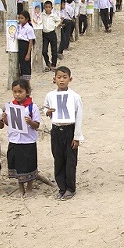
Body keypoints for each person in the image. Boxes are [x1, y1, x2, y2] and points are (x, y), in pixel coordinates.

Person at [43, 66, 85, 200]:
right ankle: (61, 187)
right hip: (56, 130)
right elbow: (45, 108)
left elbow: (79, 117)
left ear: (70, 79)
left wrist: (77, 137)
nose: (61, 80)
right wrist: (47, 112)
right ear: (54, 79)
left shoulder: (75, 97)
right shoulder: (50, 95)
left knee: (70, 160)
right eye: (59, 77)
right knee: (58, 159)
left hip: (70, 130)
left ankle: (70, 188)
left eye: (64, 77)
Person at [2, 78, 43, 198]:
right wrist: (4, 118)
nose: (17, 94)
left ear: (27, 92)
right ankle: (20, 188)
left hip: (28, 141)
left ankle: (29, 187)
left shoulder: (32, 107)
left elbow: (37, 125)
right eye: (15, 92)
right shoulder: (10, 106)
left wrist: (30, 121)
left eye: (20, 91)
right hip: (14, 140)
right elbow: (9, 124)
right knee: (17, 165)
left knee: (29, 164)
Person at [41, 1, 60, 71]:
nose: (48, 9)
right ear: (44, 8)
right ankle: (47, 63)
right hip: (44, 34)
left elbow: (58, 20)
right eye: (46, 7)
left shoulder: (53, 15)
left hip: (52, 33)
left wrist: (55, 26)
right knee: (44, 51)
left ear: (51, 8)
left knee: (54, 50)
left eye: (49, 7)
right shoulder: (42, 15)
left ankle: (53, 65)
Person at [16, 10, 35, 80]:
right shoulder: (18, 26)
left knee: (26, 64)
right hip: (19, 44)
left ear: (26, 19)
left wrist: (28, 53)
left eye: (22, 18)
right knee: (20, 63)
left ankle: (27, 82)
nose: (20, 20)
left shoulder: (29, 28)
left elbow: (31, 41)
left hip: (25, 46)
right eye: (19, 18)